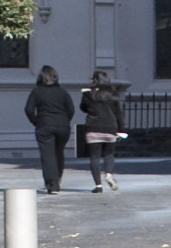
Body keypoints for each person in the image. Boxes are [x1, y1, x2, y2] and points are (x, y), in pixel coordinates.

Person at [22, 66, 74, 196]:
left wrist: (36, 121)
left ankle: (52, 184)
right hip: (63, 126)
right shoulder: (63, 92)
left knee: (48, 155)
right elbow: (71, 109)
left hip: (45, 125)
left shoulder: (37, 92)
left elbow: (28, 109)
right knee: (59, 153)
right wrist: (65, 120)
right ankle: (57, 178)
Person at [77, 65, 127, 196]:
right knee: (109, 153)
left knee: (94, 157)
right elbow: (118, 113)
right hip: (110, 127)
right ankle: (109, 175)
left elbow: (83, 108)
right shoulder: (113, 93)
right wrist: (122, 129)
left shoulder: (88, 93)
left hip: (93, 127)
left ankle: (98, 185)